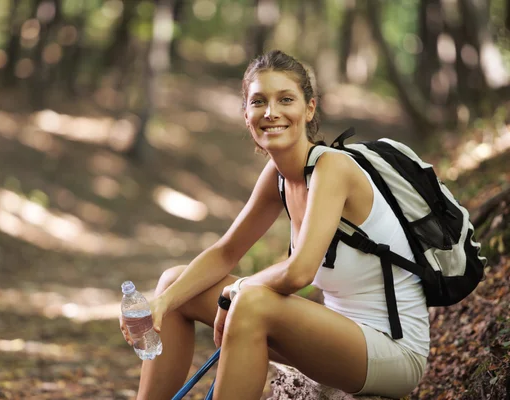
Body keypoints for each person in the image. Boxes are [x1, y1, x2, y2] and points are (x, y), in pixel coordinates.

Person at [119, 50, 429, 399]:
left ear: (309, 108)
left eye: (285, 99)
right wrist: (163, 302)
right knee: (175, 284)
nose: (271, 112)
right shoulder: (278, 176)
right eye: (258, 101)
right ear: (246, 114)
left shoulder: (333, 168)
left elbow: (299, 273)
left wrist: (235, 291)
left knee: (251, 302)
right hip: (336, 336)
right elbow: (226, 252)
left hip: (392, 351)